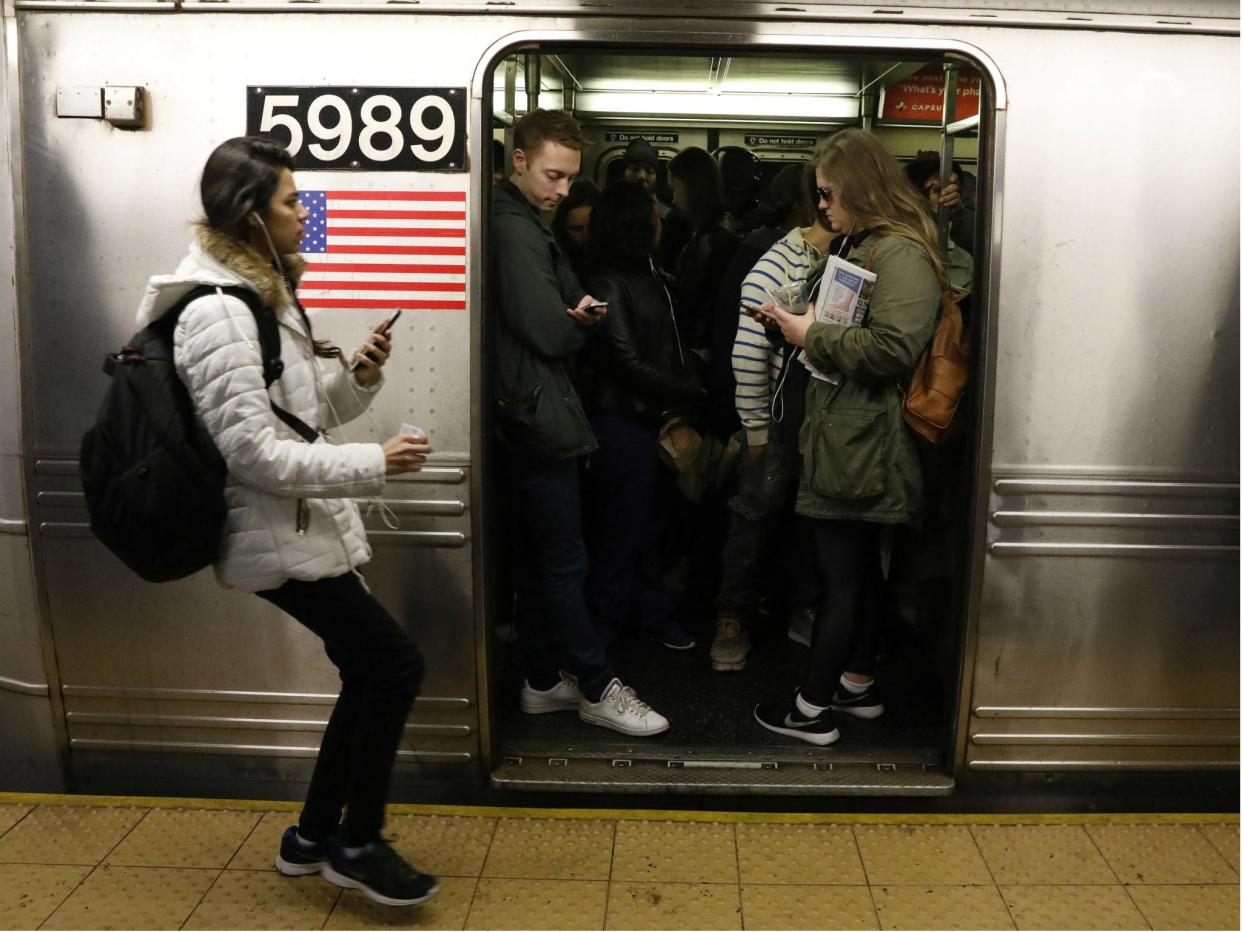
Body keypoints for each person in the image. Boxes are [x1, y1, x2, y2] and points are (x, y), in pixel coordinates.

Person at [132, 136, 437, 906]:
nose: (305, 214)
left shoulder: (259, 299)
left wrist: (358, 377)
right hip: (272, 529)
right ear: (251, 217)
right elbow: (255, 456)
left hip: (297, 525)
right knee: (394, 665)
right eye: (292, 203)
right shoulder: (219, 314)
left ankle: (310, 839)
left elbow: (300, 420)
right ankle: (356, 843)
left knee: (369, 667)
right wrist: (377, 462)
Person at [752, 129, 943, 745]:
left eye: (829, 194)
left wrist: (810, 336)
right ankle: (855, 685)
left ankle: (809, 711)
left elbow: (892, 347)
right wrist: (793, 323)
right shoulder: (865, 244)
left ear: (859, 188)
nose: (823, 207)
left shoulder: (901, 255)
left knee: (840, 576)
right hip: (845, 433)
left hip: (865, 442)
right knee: (857, 570)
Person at [491, 108, 669, 737]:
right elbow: (547, 328)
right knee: (564, 560)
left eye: (569, 179)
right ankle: (596, 685)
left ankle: (541, 678)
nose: (563, 191)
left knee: (545, 561)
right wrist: (577, 323)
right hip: (538, 415)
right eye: (553, 175)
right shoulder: (514, 231)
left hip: (531, 410)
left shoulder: (525, 224)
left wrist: (570, 315)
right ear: (519, 160)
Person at [709, 162, 831, 672]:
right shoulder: (782, 258)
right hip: (781, 413)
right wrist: (755, 426)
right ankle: (732, 618)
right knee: (754, 516)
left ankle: (803, 606)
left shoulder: (856, 252)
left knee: (816, 518)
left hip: (827, 416)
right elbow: (746, 351)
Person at [579, 181, 704, 654]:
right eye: (653, 211)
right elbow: (626, 360)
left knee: (651, 528)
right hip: (621, 421)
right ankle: (601, 644)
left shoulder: (651, 273)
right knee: (620, 533)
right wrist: (692, 389)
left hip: (650, 417)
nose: (661, 217)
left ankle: (649, 615)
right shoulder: (608, 278)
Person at [666, 147, 740, 356]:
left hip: (702, 346)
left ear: (691, 187)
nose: (673, 199)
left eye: (675, 189)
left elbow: (698, 299)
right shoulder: (703, 234)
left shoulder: (713, 240)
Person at [904, 155, 974, 291]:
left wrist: (958, 214)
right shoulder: (901, 245)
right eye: (935, 190)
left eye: (951, 189)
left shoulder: (966, 250)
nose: (946, 195)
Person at [551, 178, 601, 279]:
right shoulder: (556, 262)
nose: (586, 235)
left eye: (592, 226)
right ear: (563, 229)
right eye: (577, 229)